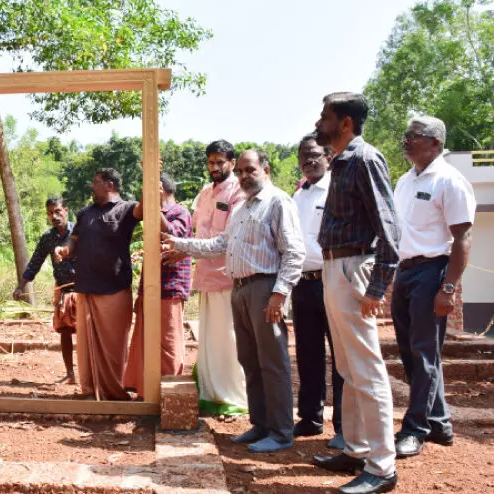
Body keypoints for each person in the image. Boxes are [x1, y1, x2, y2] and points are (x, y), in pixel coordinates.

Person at [163, 149, 304, 453]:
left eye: (250, 170)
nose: (243, 176)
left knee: (273, 362)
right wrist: (181, 244)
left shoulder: (278, 202)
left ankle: (281, 432)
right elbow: (221, 243)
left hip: (266, 288)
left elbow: (294, 252)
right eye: (240, 171)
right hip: (239, 289)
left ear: (265, 169)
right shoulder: (242, 209)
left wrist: (279, 294)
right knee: (250, 361)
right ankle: (261, 425)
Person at [311, 92, 400, 494]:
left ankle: (382, 468)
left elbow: (390, 229)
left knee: (366, 369)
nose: (319, 122)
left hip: (354, 268)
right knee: (348, 367)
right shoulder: (342, 162)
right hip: (335, 266)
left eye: (325, 116)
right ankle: (356, 448)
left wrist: (376, 287)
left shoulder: (365, 159)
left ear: (345, 123)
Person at [392, 116, 475, 458]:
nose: (406, 140)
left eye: (415, 136)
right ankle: (439, 422)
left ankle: (415, 429)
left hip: (432, 271)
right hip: (405, 271)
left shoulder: (450, 180)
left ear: (435, 143)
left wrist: (449, 287)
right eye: (406, 134)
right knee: (412, 352)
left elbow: (463, 237)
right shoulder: (404, 181)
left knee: (425, 352)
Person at [54, 168, 141, 401]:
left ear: (110, 185)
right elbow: (75, 243)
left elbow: (146, 208)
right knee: (86, 345)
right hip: (86, 287)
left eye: (96, 182)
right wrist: (65, 251)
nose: (91, 187)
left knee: (114, 346)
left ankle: (114, 393)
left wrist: (151, 175)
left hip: (114, 288)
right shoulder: (85, 214)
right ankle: (91, 391)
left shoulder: (127, 209)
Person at [291, 134, 345, 450]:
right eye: (303, 156)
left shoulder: (338, 189)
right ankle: (310, 418)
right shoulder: (298, 196)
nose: (309, 161)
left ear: (327, 156)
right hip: (302, 283)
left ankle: (343, 425)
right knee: (308, 354)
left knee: (340, 356)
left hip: (331, 280)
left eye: (314, 155)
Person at [190, 139, 248, 415]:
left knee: (229, 338)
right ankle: (211, 391)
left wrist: (184, 249)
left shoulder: (238, 192)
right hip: (205, 276)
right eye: (211, 162)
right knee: (211, 337)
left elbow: (228, 239)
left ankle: (233, 397)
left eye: (220, 162)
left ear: (232, 163)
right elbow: (196, 229)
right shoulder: (203, 193)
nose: (214, 167)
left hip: (228, 278)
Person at [123, 172, 192, 398]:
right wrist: (149, 201)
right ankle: (145, 391)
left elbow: (172, 237)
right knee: (145, 340)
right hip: (149, 287)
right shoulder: (154, 212)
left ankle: (169, 393)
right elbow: (137, 214)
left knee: (168, 343)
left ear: (162, 188)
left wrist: (155, 205)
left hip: (170, 287)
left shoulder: (180, 212)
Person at [14, 196, 77, 384]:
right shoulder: (48, 238)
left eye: (57, 211)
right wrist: (21, 285)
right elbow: (35, 262)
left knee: (88, 334)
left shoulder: (79, 233)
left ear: (66, 210)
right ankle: (70, 374)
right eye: (50, 213)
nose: (54, 216)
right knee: (65, 331)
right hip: (63, 290)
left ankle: (92, 376)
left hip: (84, 290)